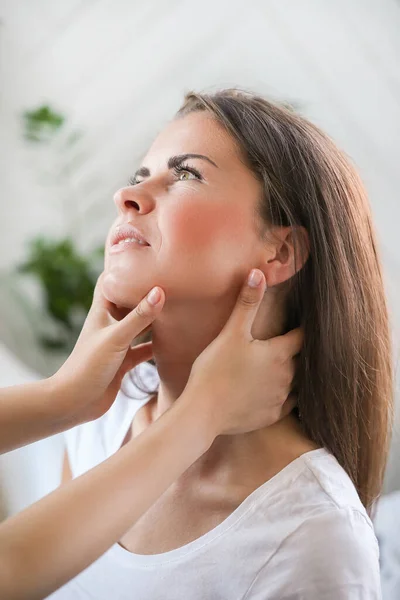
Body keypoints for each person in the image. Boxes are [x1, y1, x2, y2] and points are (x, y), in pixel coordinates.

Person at [54, 88, 393, 599]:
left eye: (186, 174)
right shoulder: (99, 415)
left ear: (280, 250)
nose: (126, 197)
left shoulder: (314, 538)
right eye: (139, 177)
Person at [0, 268, 301, 600]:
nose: (123, 211)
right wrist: (201, 414)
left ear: (283, 251)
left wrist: (60, 398)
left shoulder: (312, 538)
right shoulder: (105, 423)